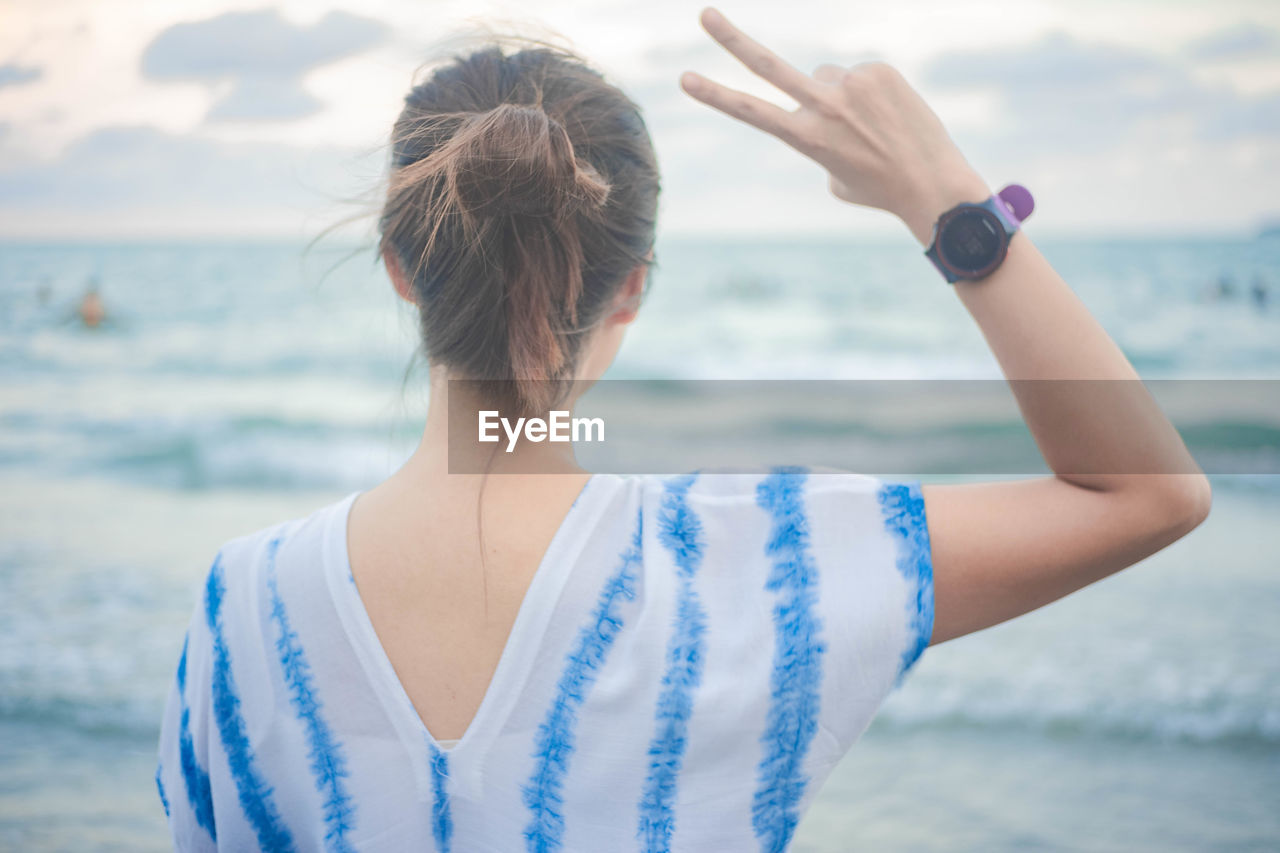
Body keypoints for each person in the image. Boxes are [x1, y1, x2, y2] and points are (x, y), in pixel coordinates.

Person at [155, 9, 1210, 851]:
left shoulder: (239, 604)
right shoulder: (756, 566)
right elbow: (1146, 491)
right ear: (631, 291)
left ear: (397, 266)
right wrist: (947, 205)